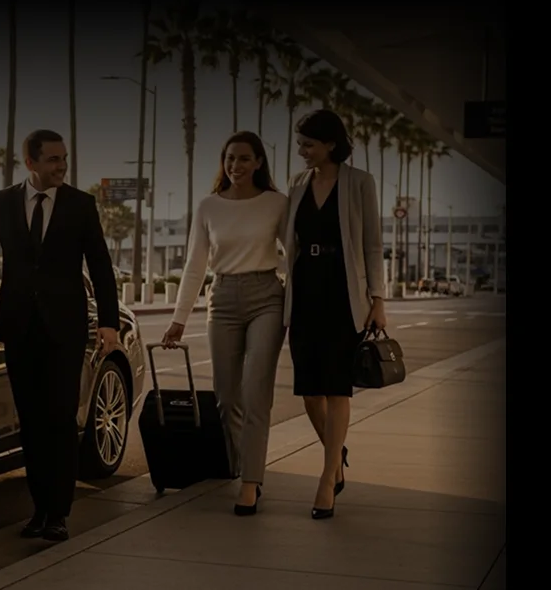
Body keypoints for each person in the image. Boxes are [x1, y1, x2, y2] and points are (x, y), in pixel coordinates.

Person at [0, 129, 120, 542]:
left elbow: (100, 265)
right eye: (52, 159)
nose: (61, 166)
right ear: (30, 162)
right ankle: (39, 509)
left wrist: (108, 322)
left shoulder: (80, 206)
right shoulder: (5, 201)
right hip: (20, 328)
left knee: (60, 420)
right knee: (30, 422)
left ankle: (59, 513)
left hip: (65, 330)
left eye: (63, 159)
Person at [160, 131, 290, 517]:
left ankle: (251, 482)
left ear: (259, 162)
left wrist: (298, 306)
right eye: (230, 158)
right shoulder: (208, 207)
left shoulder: (277, 204)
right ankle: (233, 464)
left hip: (267, 295)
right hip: (223, 299)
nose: (236, 166)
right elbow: (195, 265)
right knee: (227, 396)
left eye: (244, 159)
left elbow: (294, 256)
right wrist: (178, 319)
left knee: (255, 391)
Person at [282, 109, 386, 520]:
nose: (302, 151)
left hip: (344, 293)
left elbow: (373, 245)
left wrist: (378, 299)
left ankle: (327, 478)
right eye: (300, 144)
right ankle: (335, 450)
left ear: (330, 144)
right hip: (305, 289)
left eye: (308, 143)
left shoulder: (360, 182)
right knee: (309, 390)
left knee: (337, 387)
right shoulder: (296, 184)